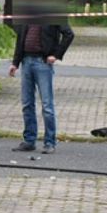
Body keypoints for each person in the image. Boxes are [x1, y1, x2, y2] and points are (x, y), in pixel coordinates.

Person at [9, 21, 75, 153]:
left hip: (42, 63)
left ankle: (50, 142)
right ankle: (29, 140)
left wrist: (56, 54)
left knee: (47, 105)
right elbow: (20, 38)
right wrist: (15, 62)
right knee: (27, 103)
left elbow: (69, 34)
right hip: (26, 61)